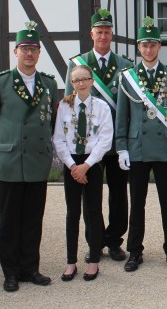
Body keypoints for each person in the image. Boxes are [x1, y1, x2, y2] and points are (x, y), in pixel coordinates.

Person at [0, 21, 58, 292]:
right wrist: (5, 147)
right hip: (11, 162)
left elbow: (50, 122)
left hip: (36, 161)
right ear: (16, 52)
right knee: (11, 220)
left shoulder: (49, 84)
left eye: (34, 49)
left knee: (33, 220)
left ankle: (30, 268)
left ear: (39, 53)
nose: (29, 54)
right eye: (24, 49)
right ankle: (10, 272)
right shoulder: (0, 82)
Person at [116, 16, 167, 272]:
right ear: (139, 47)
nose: (148, 49)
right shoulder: (128, 77)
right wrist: (121, 146)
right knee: (137, 204)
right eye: (144, 45)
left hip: (165, 148)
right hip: (137, 149)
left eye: (153, 45)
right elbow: (122, 115)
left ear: (159, 47)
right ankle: (135, 252)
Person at [65, 9, 133, 263]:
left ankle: (114, 241)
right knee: (90, 196)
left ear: (112, 34)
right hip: (88, 143)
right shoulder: (78, 64)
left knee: (118, 193)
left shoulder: (125, 65)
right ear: (91, 34)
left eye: (107, 32)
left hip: (115, 142)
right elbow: (69, 102)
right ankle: (94, 242)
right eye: (99, 32)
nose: (103, 36)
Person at [54, 65, 114, 282]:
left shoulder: (101, 107)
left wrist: (86, 166)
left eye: (85, 79)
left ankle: (94, 260)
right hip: (71, 163)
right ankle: (71, 262)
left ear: (91, 81)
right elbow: (58, 139)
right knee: (72, 214)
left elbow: (105, 140)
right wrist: (73, 166)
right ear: (72, 83)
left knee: (94, 212)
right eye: (76, 80)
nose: (81, 83)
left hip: (92, 164)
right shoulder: (64, 106)